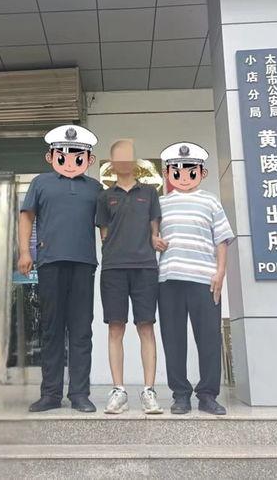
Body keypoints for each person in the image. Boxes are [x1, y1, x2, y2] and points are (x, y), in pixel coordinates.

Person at [18, 124, 102, 413]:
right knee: (51, 329)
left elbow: (106, 227)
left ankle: (79, 394)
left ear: (89, 159)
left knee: (81, 330)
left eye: (77, 157)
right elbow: (27, 217)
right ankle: (50, 394)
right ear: (50, 156)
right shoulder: (40, 183)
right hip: (50, 262)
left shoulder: (96, 188)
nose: (69, 162)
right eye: (62, 156)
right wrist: (24, 252)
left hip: (84, 264)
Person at [154, 142, 234, 415]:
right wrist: (154, 240)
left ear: (202, 173)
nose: (184, 177)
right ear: (167, 173)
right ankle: (180, 395)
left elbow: (221, 239)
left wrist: (220, 273)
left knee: (209, 339)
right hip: (169, 280)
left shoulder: (210, 201)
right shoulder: (160, 204)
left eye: (191, 171)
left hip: (204, 280)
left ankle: (208, 395)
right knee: (173, 340)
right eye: (177, 171)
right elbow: (151, 236)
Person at [96, 139, 163, 414]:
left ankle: (149, 391)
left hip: (145, 267)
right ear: (112, 163)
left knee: (146, 327)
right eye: (119, 157)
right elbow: (103, 233)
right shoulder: (104, 197)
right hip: (113, 269)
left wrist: (155, 240)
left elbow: (154, 229)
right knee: (116, 328)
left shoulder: (149, 193)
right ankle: (119, 391)